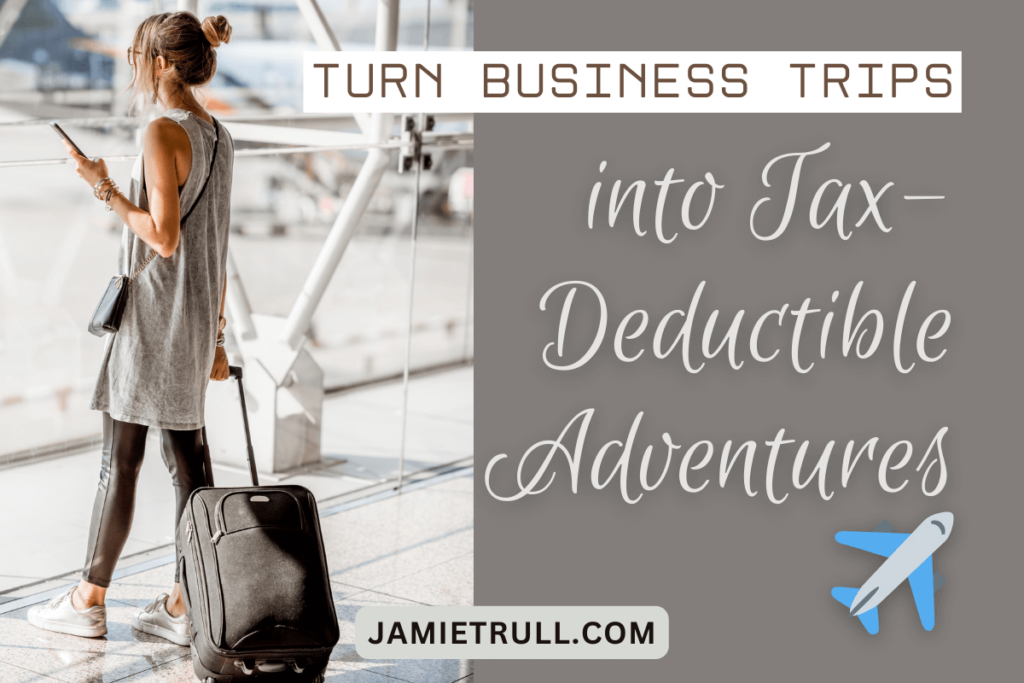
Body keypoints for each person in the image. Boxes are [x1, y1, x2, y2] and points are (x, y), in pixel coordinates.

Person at [27, 12, 235, 645]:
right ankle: (184, 604)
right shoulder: (218, 134)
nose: (134, 66)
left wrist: (103, 188)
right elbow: (215, 244)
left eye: (139, 56)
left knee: (120, 461)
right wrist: (218, 340)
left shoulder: (162, 131)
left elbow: (166, 238)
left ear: (164, 64)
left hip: (152, 323)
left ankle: (89, 600)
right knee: (190, 465)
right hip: (195, 320)